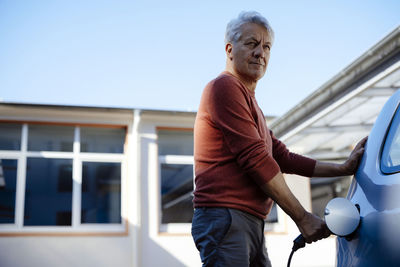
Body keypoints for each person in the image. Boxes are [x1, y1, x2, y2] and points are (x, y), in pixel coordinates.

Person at [191, 11, 367, 267]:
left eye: (267, 47)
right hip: (226, 217)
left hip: (248, 220)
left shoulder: (250, 103)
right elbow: (257, 160)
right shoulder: (224, 88)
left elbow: (282, 157)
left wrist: (342, 168)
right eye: (251, 44)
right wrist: (302, 217)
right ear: (230, 49)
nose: (260, 53)